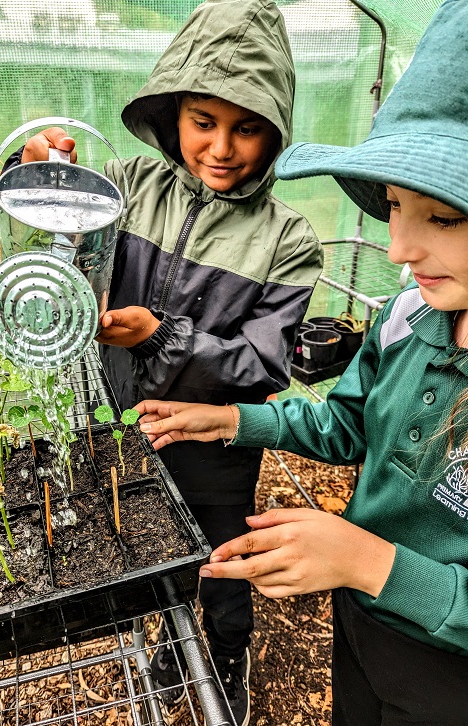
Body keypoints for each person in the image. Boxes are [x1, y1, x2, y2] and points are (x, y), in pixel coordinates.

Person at [135, 1, 468, 723]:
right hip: (364, 623)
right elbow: (345, 427)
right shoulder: (408, 318)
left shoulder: (283, 238)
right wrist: (231, 418)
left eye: (442, 217)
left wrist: (369, 561)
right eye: (393, 207)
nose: (398, 250)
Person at [10, 1, 323, 722]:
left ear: (273, 130)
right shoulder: (127, 186)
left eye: (245, 127)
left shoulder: (287, 238)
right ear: (173, 117)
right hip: (117, 416)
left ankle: (225, 650)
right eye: (203, 122)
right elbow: (51, 214)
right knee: (141, 534)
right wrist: (33, 168)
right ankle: (164, 635)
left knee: (221, 555)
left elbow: (262, 366)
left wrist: (159, 335)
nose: (220, 147)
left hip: (212, 440)